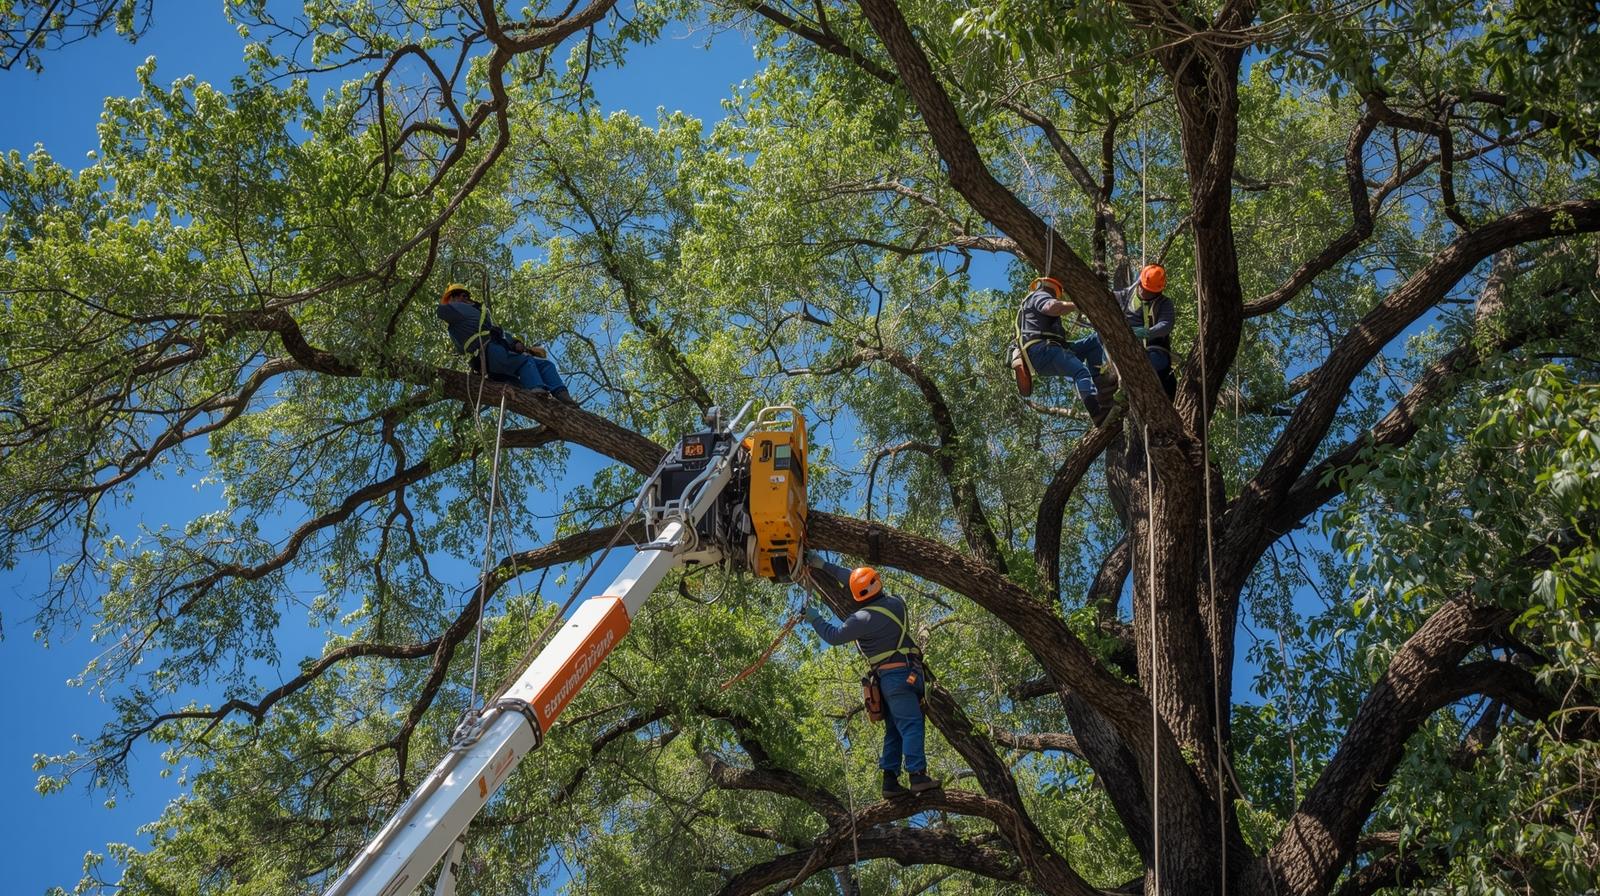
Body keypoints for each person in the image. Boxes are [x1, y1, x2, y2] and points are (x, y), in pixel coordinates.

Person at [804, 559, 940, 798]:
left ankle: (890, 780)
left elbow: (833, 636)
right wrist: (823, 565)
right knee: (910, 725)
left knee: (896, 729)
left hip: (887, 681)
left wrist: (814, 618)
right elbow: (854, 578)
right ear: (878, 584)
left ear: (856, 595)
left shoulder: (860, 620)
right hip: (905, 675)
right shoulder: (897, 604)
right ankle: (917, 776)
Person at [436, 283, 578, 405]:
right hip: (489, 354)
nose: (466, 299)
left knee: (545, 365)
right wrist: (453, 304)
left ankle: (562, 395)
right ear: (455, 298)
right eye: (458, 296)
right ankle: (537, 392)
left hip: (497, 352)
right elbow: (441, 311)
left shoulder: (480, 316)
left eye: (465, 296)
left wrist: (517, 344)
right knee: (525, 362)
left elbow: (501, 335)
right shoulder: (457, 311)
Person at [1012, 275, 1106, 423]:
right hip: (1043, 350)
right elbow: (1051, 307)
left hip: (1050, 350)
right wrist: (1078, 305)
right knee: (1080, 372)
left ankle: (1100, 385)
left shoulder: (1032, 301)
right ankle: (1097, 413)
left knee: (1095, 341)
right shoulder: (1040, 294)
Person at [1113, 264, 1177, 397]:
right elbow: (1107, 298)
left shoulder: (1164, 303)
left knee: (1152, 364)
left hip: (1155, 352)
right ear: (1140, 283)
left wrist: (1147, 332)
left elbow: (1166, 324)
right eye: (1145, 289)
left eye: (1151, 292)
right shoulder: (1126, 295)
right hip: (1126, 348)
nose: (1147, 294)